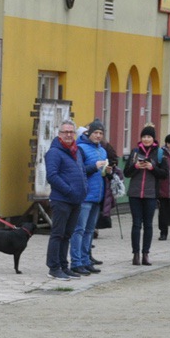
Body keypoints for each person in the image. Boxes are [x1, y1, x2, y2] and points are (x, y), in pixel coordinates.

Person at [44, 119, 88, 280]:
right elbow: (52, 176)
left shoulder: (76, 151)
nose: (68, 135)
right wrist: (69, 190)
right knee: (58, 234)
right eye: (65, 132)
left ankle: (64, 266)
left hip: (76, 200)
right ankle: (54, 267)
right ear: (59, 134)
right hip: (61, 200)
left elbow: (82, 171)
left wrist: (84, 189)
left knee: (67, 235)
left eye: (71, 132)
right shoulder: (54, 152)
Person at [70, 119, 110, 275]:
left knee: (89, 231)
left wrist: (108, 171)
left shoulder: (103, 150)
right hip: (85, 196)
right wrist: (95, 166)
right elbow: (78, 170)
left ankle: (86, 261)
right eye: (96, 133)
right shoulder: (80, 148)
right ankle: (76, 262)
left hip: (97, 196)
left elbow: (101, 173)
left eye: (101, 133)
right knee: (79, 230)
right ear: (89, 133)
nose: (98, 136)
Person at [124, 125, 168, 266]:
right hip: (135, 193)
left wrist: (152, 168)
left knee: (148, 224)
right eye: (144, 136)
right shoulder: (135, 152)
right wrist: (136, 166)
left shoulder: (160, 153)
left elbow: (164, 174)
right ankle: (136, 254)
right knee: (136, 224)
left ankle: (146, 254)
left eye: (149, 137)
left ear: (153, 138)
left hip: (151, 194)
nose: (146, 139)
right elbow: (126, 173)